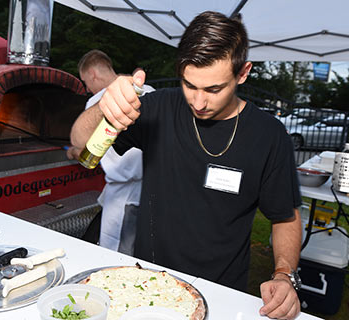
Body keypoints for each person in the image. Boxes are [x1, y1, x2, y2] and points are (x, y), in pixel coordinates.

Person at [69, 12, 302, 320]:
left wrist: (284, 275)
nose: (199, 102)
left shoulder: (269, 135)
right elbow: (81, 141)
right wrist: (103, 107)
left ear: (243, 73)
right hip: (146, 284)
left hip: (221, 293)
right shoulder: (159, 107)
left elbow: (285, 216)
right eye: (190, 85)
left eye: (214, 89)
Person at [67, 49, 154, 255]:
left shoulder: (99, 102)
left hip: (123, 196)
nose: (87, 88)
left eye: (85, 82)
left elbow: (91, 153)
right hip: (151, 190)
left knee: (115, 254)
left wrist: (72, 152)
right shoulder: (148, 90)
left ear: (93, 74)